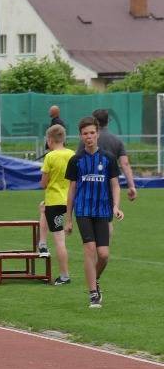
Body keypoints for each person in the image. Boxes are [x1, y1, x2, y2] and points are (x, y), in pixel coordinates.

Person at [66, 116, 123, 309]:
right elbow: (72, 190)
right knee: (89, 249)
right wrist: (68, 219)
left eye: (92, 133)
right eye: (85, 134)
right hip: (83, 210)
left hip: (103, 211)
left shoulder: (108, 159)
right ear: (80, 136)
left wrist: (116, 206)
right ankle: (92, 294)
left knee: (104, 255)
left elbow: (115, 185)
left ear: (97, 134)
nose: (89, 136)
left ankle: (95, 278)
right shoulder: (76, 160)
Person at [37, 124, 72, 285]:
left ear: (50, 140)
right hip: (69, 200)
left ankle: (64, 275)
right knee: (43, 208)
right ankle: (42, 243)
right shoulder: (72, 155)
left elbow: (44, 183)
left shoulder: (50, 157)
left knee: (59, 240)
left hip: (55, 200)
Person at [78, 109, 138, 203]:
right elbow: (125, 164)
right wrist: (131, 186)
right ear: (107, 121)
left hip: (88, 186)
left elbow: (77, 162)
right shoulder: (117, 141)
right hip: (109, 187)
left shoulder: (85, 140)